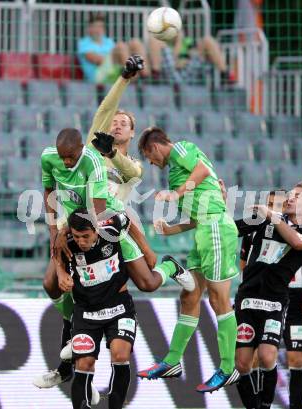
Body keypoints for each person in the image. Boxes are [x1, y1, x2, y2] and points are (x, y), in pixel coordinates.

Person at [33, 56, 195, 390]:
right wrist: (125, 78)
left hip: (114, 229)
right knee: (55, 284)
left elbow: (132, 174)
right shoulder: (90, 144)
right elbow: (106, 107)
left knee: (149, 283)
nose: (118, 124)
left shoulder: (132, 162)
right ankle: (66, 361)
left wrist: (112, 154)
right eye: (115, 121)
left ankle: (168, 267)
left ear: (132, 133)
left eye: (125, 123)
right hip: (81, 230)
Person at [136, 128, 240, 393]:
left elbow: (203, 170)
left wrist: (176, 194)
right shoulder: (176, 172)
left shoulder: (181, 148)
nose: (150, 162)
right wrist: (170, 229)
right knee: (189, 297)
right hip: (203, 230)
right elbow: (197, 214)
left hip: (216, 228)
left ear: (156, 147)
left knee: (219, 299)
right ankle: (172, 362)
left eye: (148, 155)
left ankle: (228, 368)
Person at [59, 208, 193, 409]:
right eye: (77, 236)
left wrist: (146, 248)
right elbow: (57, 257)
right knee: (84, 364)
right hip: (86, 312)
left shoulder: (110, 228)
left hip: (118, 306)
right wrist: (62, 274)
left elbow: (126, 218)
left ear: (96, 230)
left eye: (85, 236)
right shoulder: (67, 243)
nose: (81, 241)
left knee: (120, 355)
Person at [234, 181, 302, 409]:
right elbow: (228, 230)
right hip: (248, 298)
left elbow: (298, 244)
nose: (290, 198)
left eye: (298, 196)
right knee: (243, 363)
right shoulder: (266, 221)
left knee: (269, 356)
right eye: (290, 195)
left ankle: (266, 404)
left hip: (277, 301)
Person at [77, 13, 150, 84]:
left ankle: (146, 76)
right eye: (96, 27)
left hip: (115, 69)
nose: (98, 29)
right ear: (89, 28)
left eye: (101, 27)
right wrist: (119, 57)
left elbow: (117, 55)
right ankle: (134, 78)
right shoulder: (84, 43)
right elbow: (98, 60)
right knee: (121, 46)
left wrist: (121, 57)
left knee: (135, 42)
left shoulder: (108, 41)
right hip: (99, 77)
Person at [148, 34, 234, 86]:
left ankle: (225, 74)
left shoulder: (187, 41)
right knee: (154, 40)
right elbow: (177, 63)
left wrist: (186, 54)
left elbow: (187, 58)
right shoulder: (162, 45)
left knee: (207, 40)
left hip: (188, 72)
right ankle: (155, 76)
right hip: (170, 74)